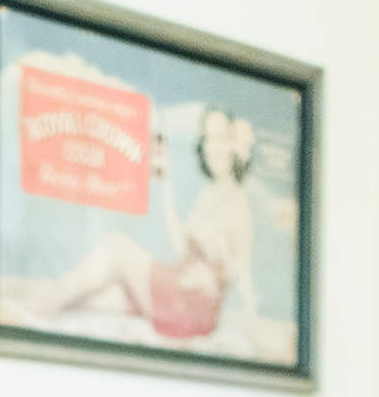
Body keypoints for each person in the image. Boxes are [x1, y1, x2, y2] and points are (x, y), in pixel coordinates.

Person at [26, 109, 264, 352]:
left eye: (221, 138)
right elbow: (182, 247)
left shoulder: (237, 203)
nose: (214, 148)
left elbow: (242, 271)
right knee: (104, 296)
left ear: (234, 145)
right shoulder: (208, 194)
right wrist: (166, 187)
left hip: (189, 304)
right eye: (209, 139)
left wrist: (257, 334)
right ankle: (41, 308)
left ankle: (53, 295)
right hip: (178, 288)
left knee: (117, 246)